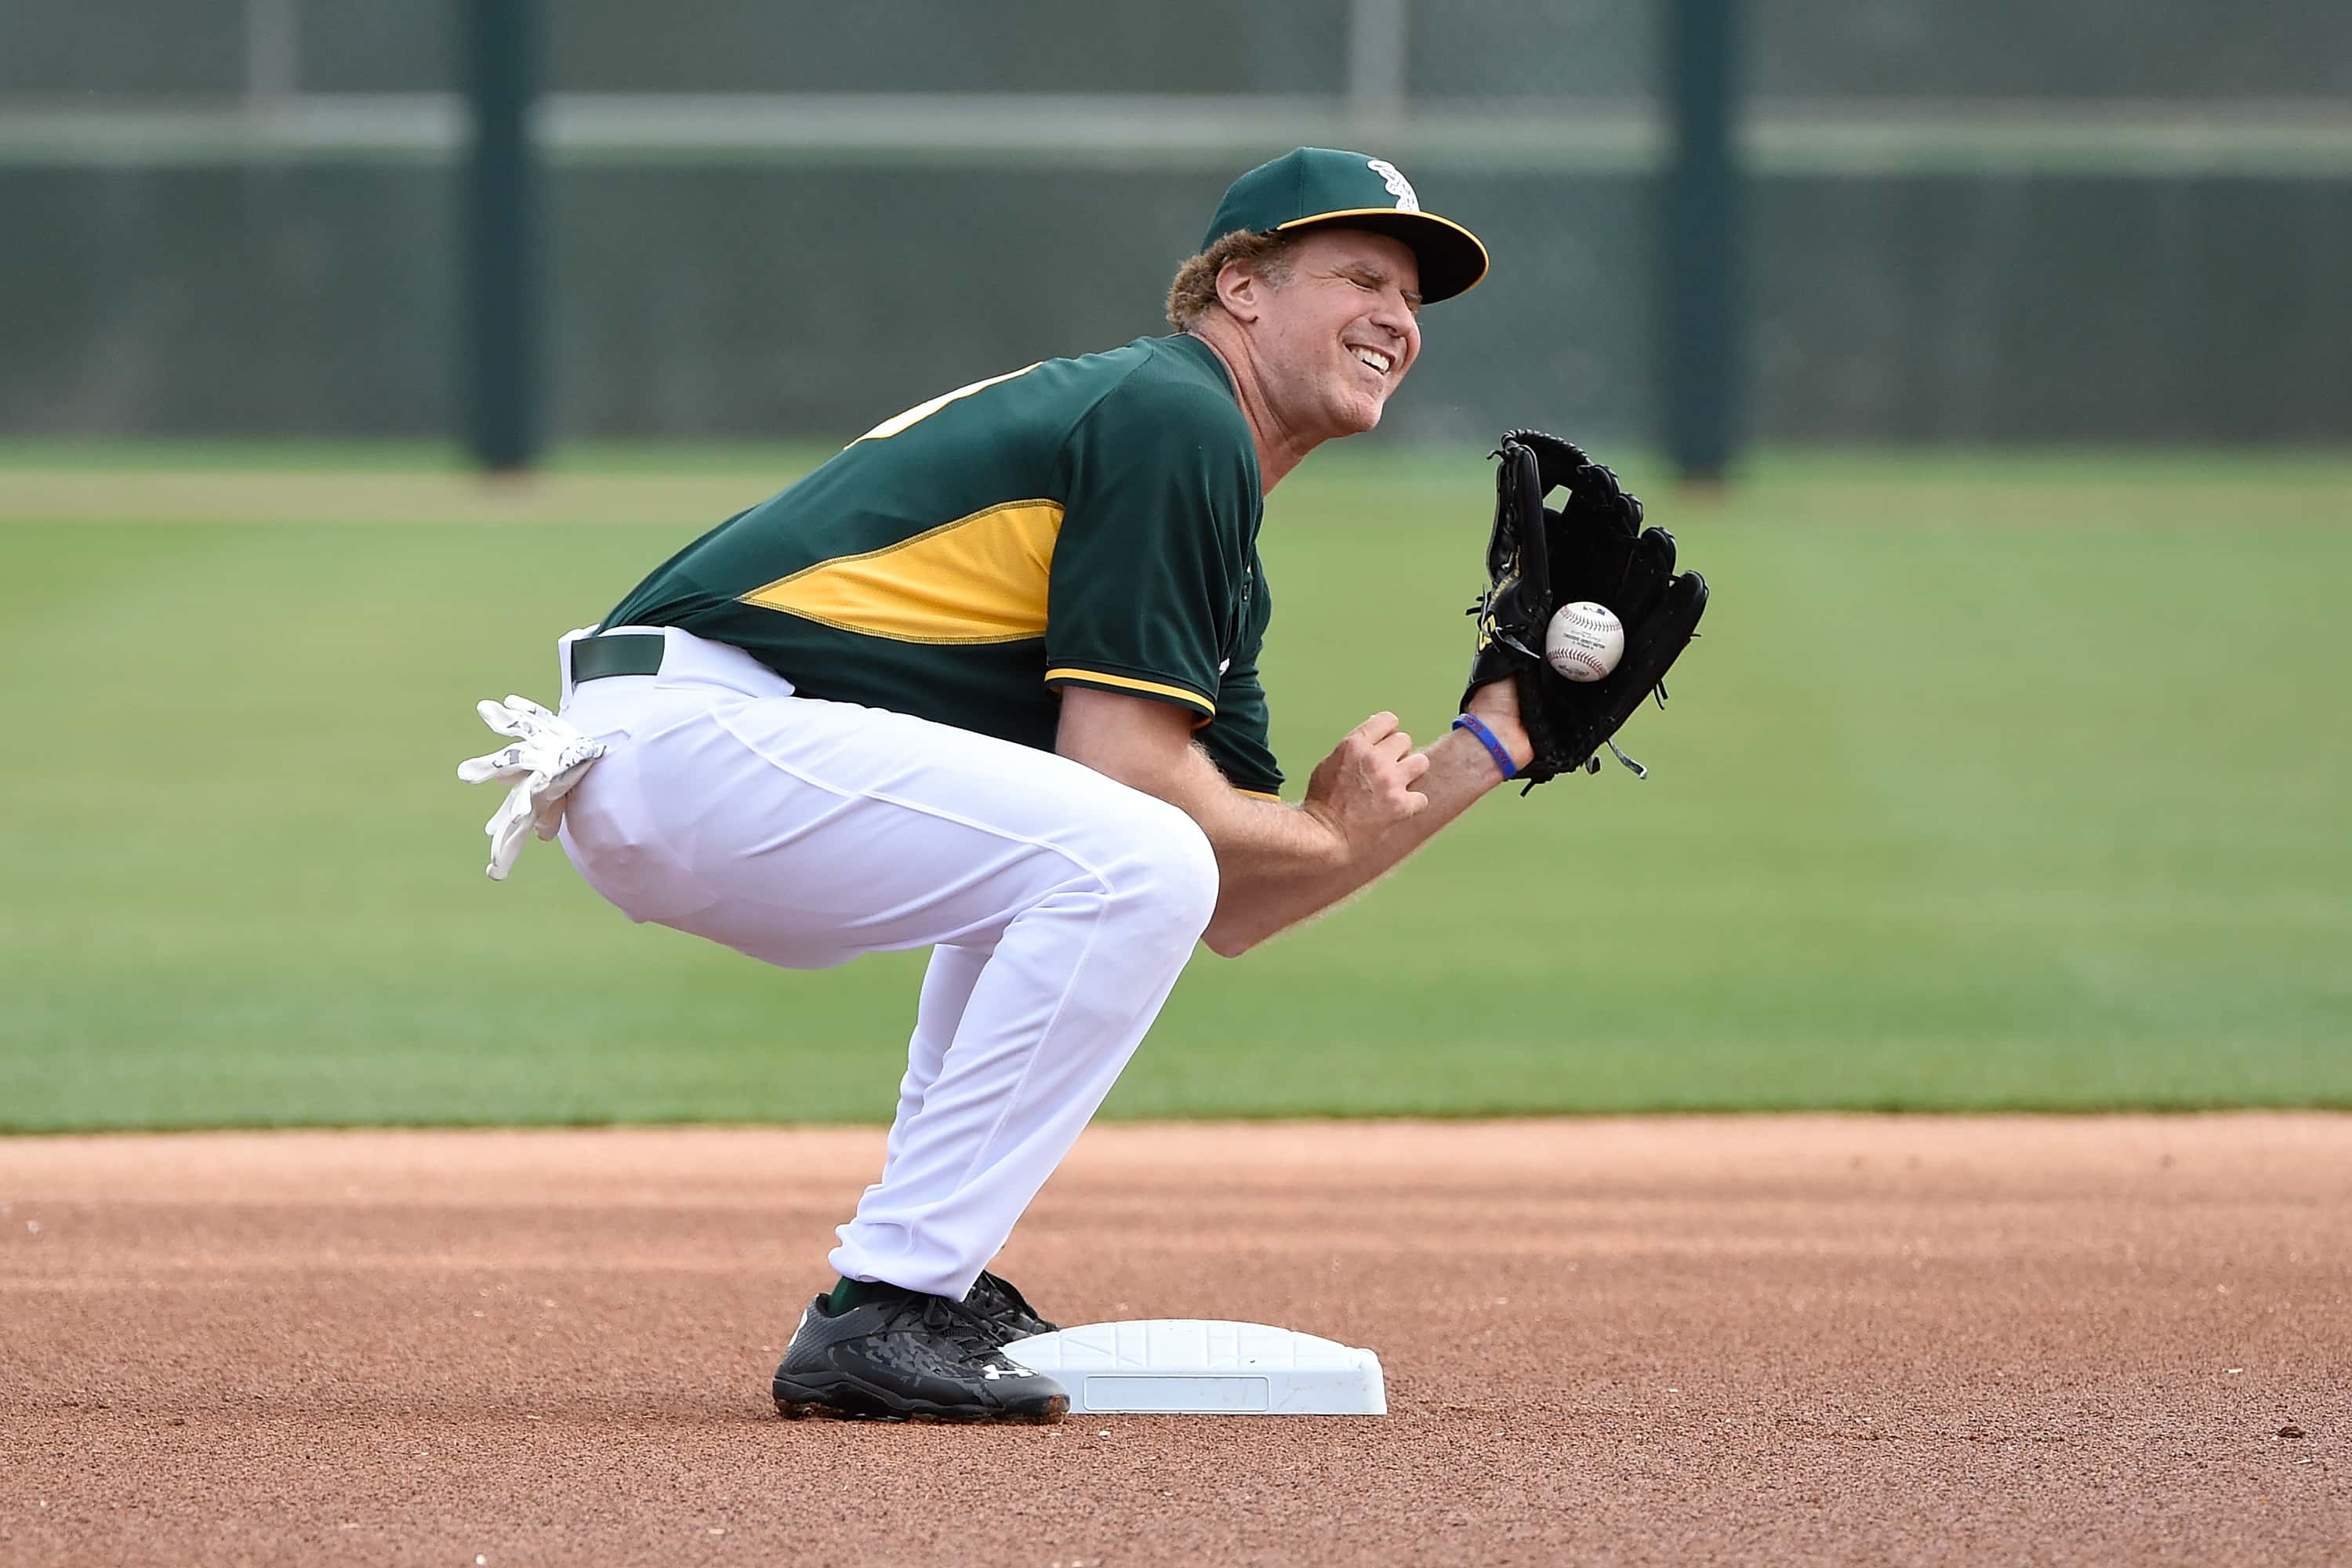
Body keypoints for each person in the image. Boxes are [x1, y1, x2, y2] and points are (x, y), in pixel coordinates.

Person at [461, 147, 1534, 1424]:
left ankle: (921, 1282)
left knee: (1115, 864)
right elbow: (1147, 798)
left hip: (705, 764)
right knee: (1128, 849)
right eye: (1362, 277)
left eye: (1413, 301)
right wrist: (1317, 825)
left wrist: (1498, 741)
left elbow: (1231, 904)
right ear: (1241, 288)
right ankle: (892, 1301)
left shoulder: (1212, 526)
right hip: (695, 739)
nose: (1397, 322)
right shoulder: (1174, 413)